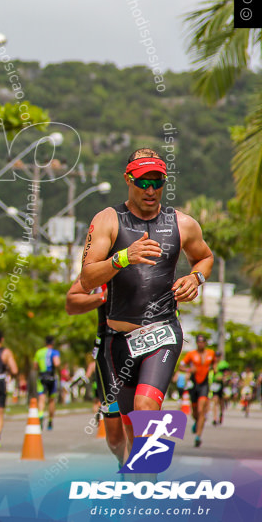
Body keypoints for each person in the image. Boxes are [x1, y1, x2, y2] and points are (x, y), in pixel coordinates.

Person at [79, 149, 214, 463]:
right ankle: (141, 480)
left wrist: (197, 278)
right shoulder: (108, 220)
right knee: (128, 430)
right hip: (118, 339)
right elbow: (86, 279)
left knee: (145, 407)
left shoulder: (182, 224)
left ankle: (146, 487)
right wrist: (123, 257)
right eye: (144, 182)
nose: (151, 190)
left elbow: (204, 257)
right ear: (128, 179)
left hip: (163, 332)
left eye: (158, 182)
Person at [66, 279, 126, 466]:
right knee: (115, 440)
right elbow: (71, 304)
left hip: (146, 348)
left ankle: (140, 479)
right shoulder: (101, 266)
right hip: (109, 350)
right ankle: (125, 465)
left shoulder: (153, 259)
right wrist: (102, 297)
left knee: (142, 415)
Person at [180, 334, 216, 447]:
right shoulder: (191, 354)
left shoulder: (211, 353)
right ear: (197, 343)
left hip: (204, 385)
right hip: (193, 384)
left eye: (203, 341)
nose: (201, 343)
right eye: (199, 342)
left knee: (201, 410)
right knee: (195, 412)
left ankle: (198, 436)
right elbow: (181, 366)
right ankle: (197, 422)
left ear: (205, 343)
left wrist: (214, 369)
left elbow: (214, 363)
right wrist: (189, 369)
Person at [34, 336, 60, 430]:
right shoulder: (54, 352)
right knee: (51, 400)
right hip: (52, 377)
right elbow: (57, 363)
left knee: (41, 398)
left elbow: (35, 366)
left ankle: (40, 414)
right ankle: (50, 420)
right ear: (53, 343)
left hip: (42, 377)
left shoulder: (39, 352)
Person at [212, 354, 230, 426]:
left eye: (218, 356)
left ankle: (221, 414)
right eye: (216, 356)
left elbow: (228, 372)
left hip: (222, 384)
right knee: (215, 401)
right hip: (215, 384)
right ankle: (215, 418)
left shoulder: (224, 364)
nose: (217, 358)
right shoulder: (213, 364)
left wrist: (224, 377)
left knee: (221, 402)